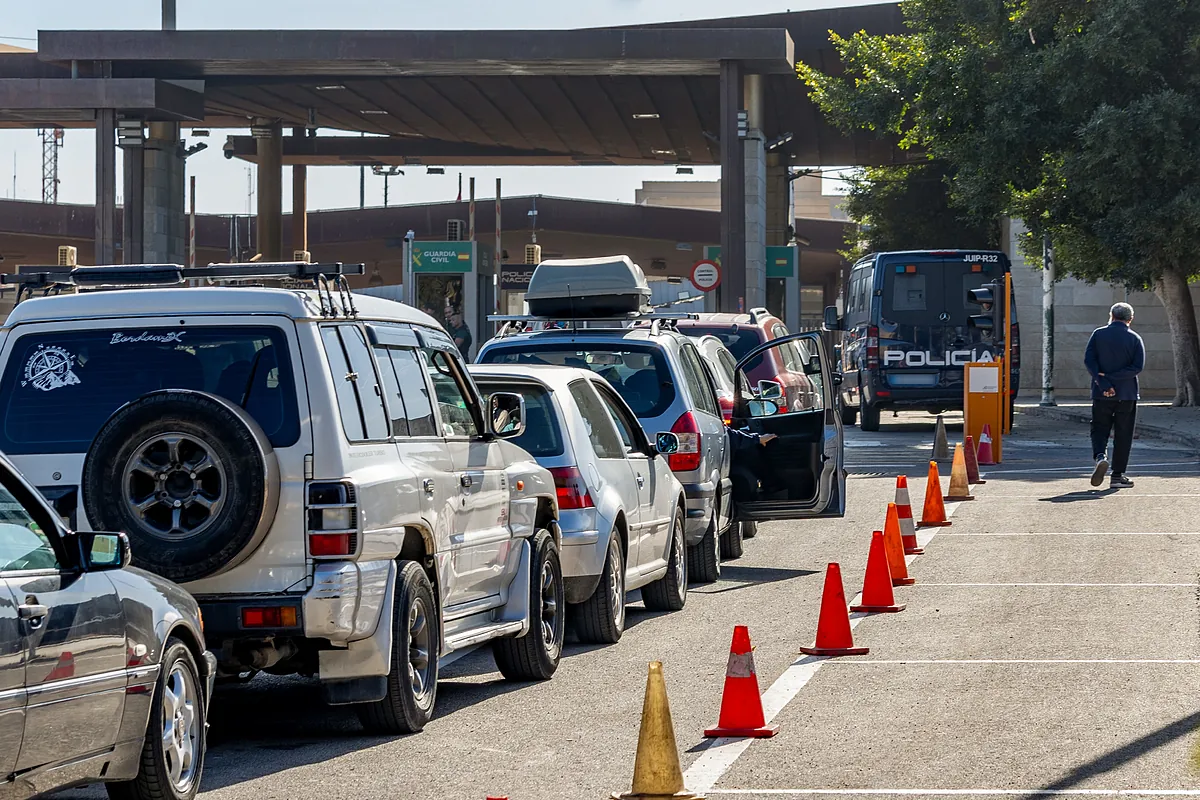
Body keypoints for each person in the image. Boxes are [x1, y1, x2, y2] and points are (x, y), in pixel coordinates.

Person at [1084, 302, 1144, 488]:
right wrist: (1114, 378)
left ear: (1111, 315)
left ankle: (1100, 456)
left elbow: (1089, 360)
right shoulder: (1135, 338)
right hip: (1126, 393)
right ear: (1130, 319)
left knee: (1099, 428)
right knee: (1123, 433)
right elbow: (1137, 367)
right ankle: (1117, 476)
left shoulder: (1098, 334)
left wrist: (1104, 381)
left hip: (1101, 393)